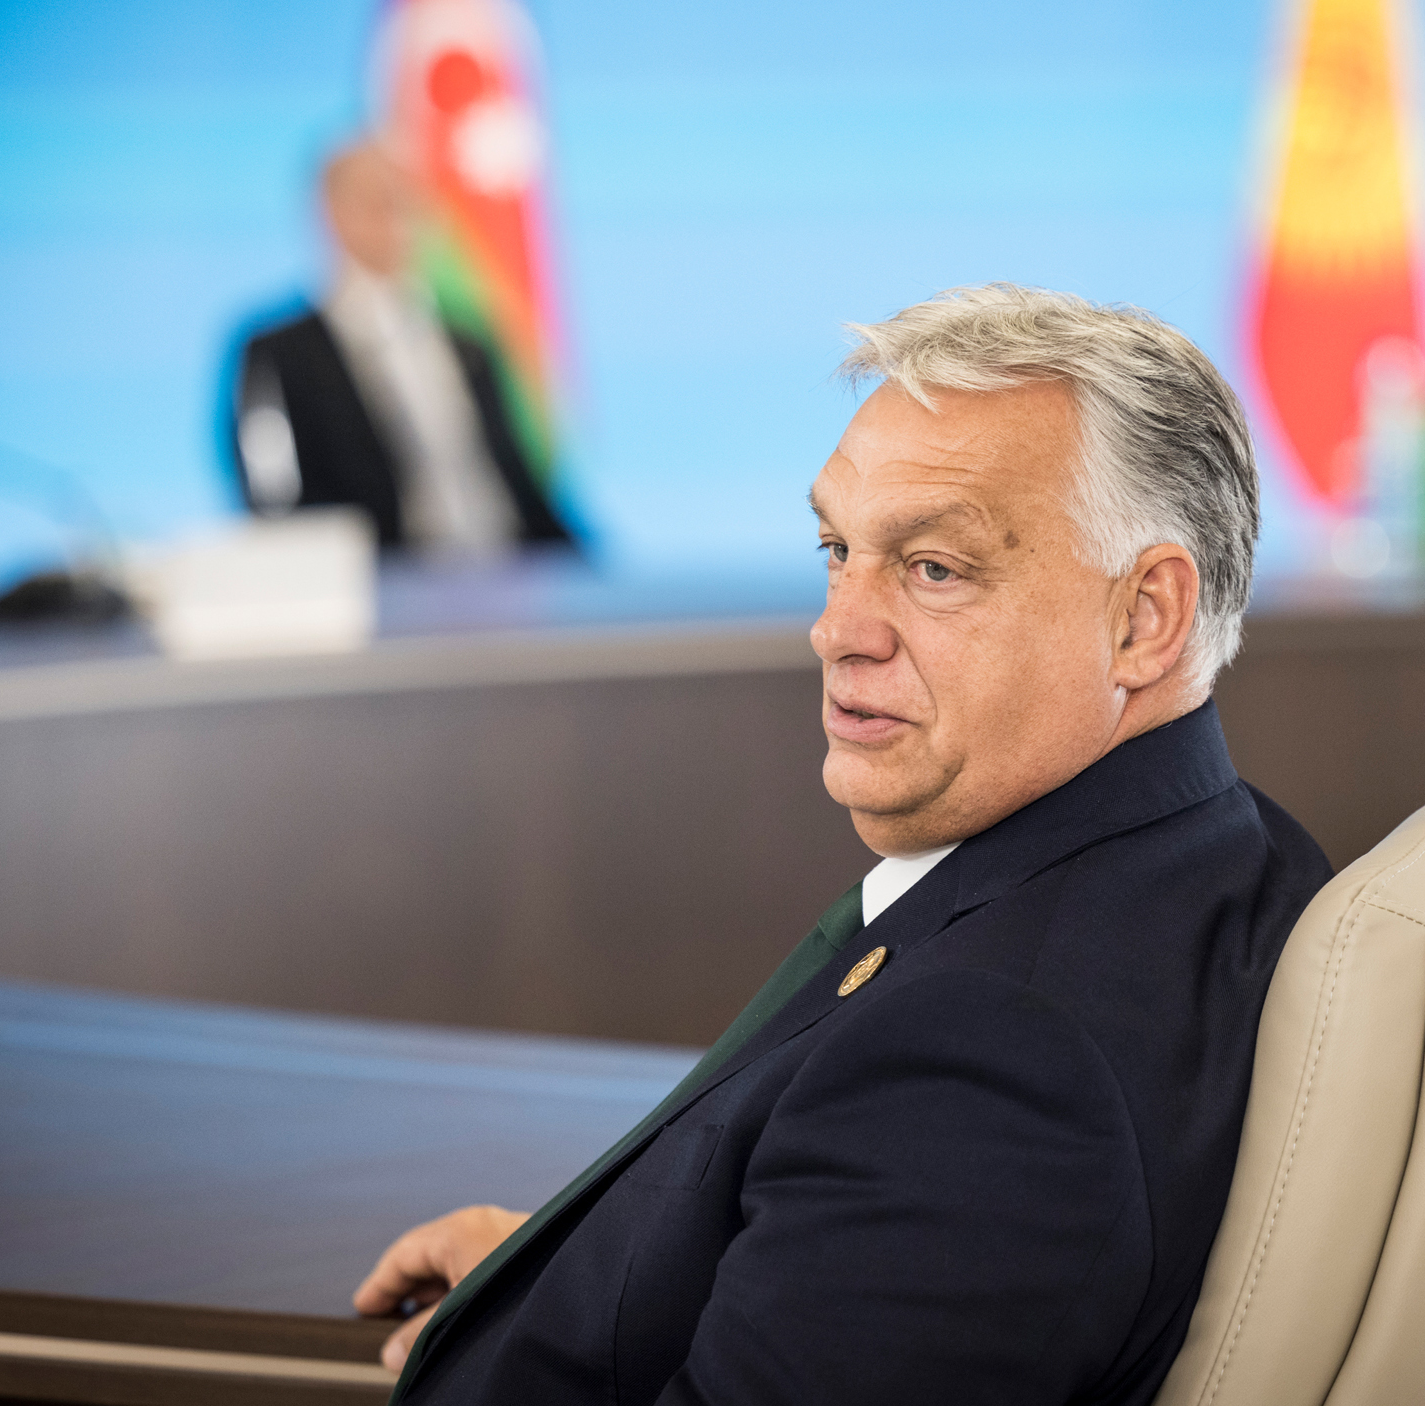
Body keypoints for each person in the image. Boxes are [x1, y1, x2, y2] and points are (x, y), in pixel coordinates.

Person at [352, 285, 1333, 1404]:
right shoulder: (1224, 851)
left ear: (1144, 618)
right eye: (837, 548)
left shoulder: (989, 1070)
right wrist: (572, 1274)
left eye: (934, 568)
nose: (837, 631)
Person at [229, 142, 572, 555]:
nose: (398, 220)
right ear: (333, 212)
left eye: (409, 202)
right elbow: (276, 499)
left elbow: (523, 487)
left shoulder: (467, 343)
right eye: (379, 201)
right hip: (381, 573)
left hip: (508, 565)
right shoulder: (281, 352)